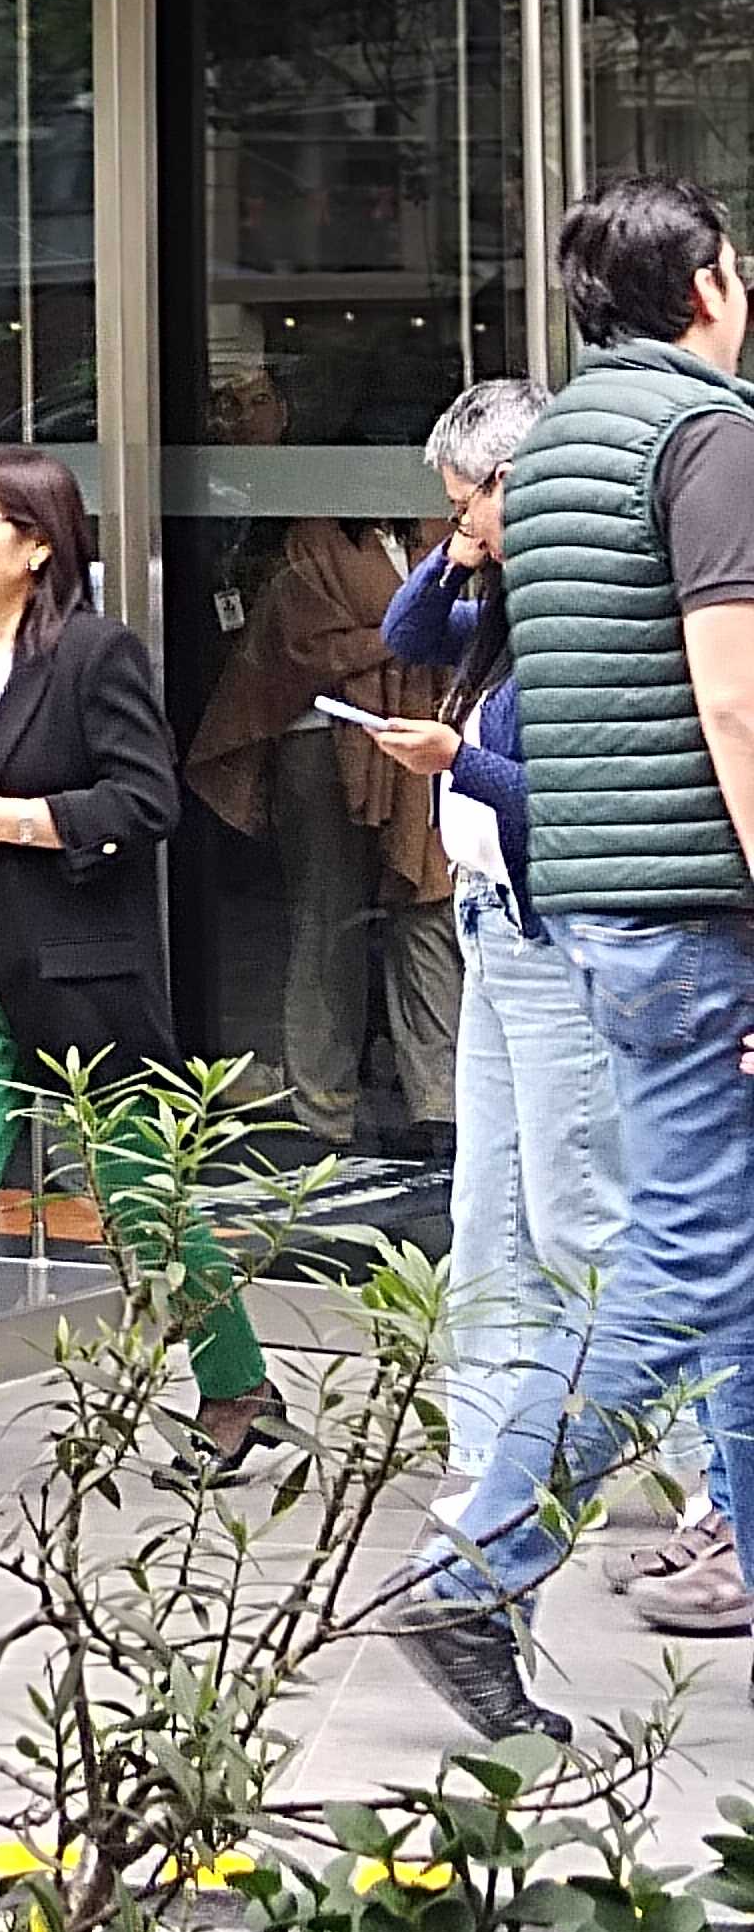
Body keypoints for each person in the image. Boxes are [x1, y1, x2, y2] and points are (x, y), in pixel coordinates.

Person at [369, 177, 754, 1742]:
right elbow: (735, 703)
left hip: (594, 914)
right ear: (709, 288)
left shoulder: (570, 446)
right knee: (676, 1268)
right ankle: (473, 1576)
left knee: (719, 1269)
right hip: (699, 918)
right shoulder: (708, 436)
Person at [0, 450, 286, 1476]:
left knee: (144, 1203)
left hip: (75, 976)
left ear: (36, 543)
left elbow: (147, 800)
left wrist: (8, 821)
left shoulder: (96, 653)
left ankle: (237, 1380)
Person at [189, 514, 460, 1155]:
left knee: (426, 904)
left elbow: (451, 627)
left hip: (422, 738)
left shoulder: (435, 534)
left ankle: (441, 1105)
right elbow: (304, 646)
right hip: (321, 747)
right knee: (329, 921)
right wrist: (407, 635)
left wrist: (405, 634)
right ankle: (323, 1108)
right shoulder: (310, 537)